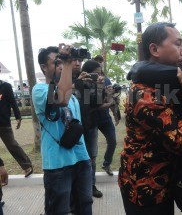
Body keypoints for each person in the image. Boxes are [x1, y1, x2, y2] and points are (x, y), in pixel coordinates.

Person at [118, 22, 182, 215]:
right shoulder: (143, 94)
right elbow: (181, 143)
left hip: (164, 183)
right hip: (145, 189)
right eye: (178, 44)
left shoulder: (166, 83)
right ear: (154, 49)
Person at [32, 45, 92, 214]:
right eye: (57, 62)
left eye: (62, 62)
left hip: (81, 158)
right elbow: (61, 99)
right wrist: (67, 63)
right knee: (58, 209)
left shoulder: (71, 92)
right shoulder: (39, 90)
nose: (61, 65)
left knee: (85, 205)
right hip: (58, 164)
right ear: (44, 67)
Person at [79, 59, 114, 198]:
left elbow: (98, 103)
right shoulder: (79, 83)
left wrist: (102, 88)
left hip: (92, 125)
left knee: (92, 157)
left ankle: (91, 185)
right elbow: (90, 106)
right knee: (81, 158)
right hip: (78, 127)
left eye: (100, 74)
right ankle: (81, 187)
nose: (98, 77)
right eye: (95, 74)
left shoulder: (98, 84)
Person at [0, 68, 33, 177]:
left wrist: (18, 117)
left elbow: (13, 102)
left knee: (12, 145)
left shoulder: (6, 86)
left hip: (3, 122)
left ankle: (27, 166)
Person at [92, 55, 119, 177]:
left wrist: (115, 114)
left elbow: (111, 99)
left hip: (105, 117)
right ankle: (90, 177)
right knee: (92, 148)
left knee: (112, 142)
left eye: (100, 62)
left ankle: (106, 163)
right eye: (97, 62)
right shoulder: (87, 80)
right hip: (91, 118)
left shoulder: (107, 80)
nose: (99, 64)